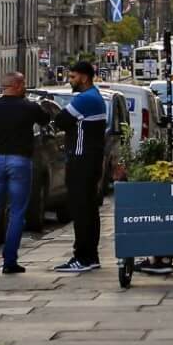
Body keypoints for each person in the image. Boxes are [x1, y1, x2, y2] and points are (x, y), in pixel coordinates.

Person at [0, 71, 50, 275]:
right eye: (23, 84)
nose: (25, 87)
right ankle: (9, 261)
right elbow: (45, 119)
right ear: (16, 85)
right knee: (17, 212)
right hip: (20, 161)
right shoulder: (29, 107)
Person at [52, 60, 109, 275]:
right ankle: (89, 256)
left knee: (81, 210)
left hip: (81, 159)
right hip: (91, 159)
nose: (70, 81)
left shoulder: (85, 99)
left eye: (73, 77)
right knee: (89, 209)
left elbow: (61, 120)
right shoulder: (95, 96)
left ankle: (83, 256)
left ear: (84, 77)